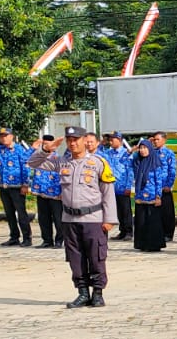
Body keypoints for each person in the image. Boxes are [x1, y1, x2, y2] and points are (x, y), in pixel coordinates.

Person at [27, 126, 116, 308]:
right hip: (70, 219)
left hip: (93, 218)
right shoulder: (62, 163)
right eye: (69, 140)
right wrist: (46, 149)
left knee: (96, 256)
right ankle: (82, 292)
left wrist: (109, 219)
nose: (73, 143)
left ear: (84, 140)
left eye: (76, 139)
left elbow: (108, 192)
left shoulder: (98, 163)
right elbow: (33, 163)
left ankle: (98, 293)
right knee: (75, 258)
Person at [0, 128, 35, 247]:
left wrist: (25, 184)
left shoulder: (19, 149)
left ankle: (27, 238)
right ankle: (14, 237)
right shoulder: (0, 150)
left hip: (17, 186)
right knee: (9, 214)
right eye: (1, 136)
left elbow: (25, 167)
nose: (3, 138)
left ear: (12, 136)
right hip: (4, 186)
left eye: (6, 135)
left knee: (21, 213)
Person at [130, 132, 176, 252]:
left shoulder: (155, 162)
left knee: (153, 221)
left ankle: (154, 244)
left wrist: (158, 196)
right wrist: (135, 148)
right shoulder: (139, 162)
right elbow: (128, 160)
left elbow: (159, 181)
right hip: (141, 196)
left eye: (145, 148)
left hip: (152, 196)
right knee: (141, 221)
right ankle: (142, 244)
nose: (143, 150)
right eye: (141, 148)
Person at [100, 133, 136, 242]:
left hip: (122, 186)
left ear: (120, 140)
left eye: (113, 140)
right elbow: (97, 154)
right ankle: (122, 231)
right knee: (117, 211)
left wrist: (128, 186)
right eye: (109, 140)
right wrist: (102, 143)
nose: (110, 142)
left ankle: (129, 231)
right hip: (111, 187)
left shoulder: (126, 153)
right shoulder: (108, 153)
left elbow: (130, 171)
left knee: (125, 210)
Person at [28, 136, 62, 249]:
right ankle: (47, 240)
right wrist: (33, 148)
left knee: (58, 218)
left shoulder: (58, 158)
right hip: (41, 191)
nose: (46, 146)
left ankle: (59, 240)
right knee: (43, 218)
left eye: (48, 144)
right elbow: (26, 161)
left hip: (55, 193)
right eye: (44, 144)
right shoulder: (37, 156)